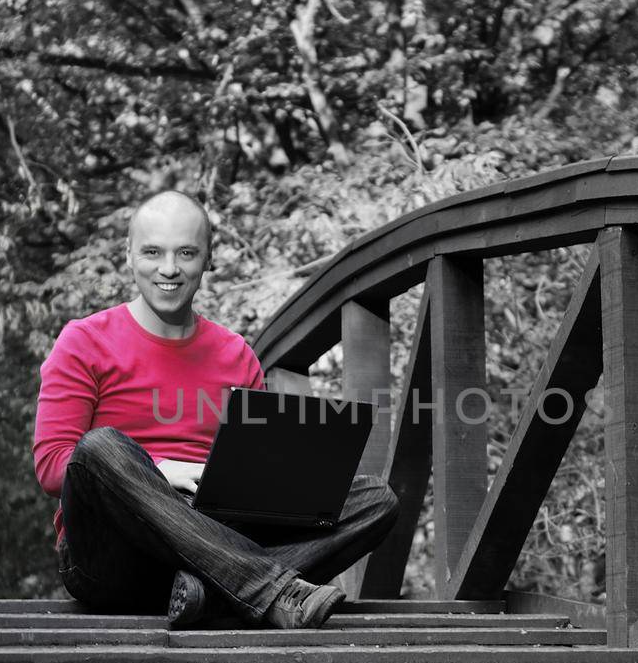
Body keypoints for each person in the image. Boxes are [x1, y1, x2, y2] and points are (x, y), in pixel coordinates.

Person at [32, 190, 399, 628]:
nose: (169, 269)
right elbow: (54, 467)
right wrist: (159, 470)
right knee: (98, 448)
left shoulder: (236, 354)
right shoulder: (83, 341)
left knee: (375, 499)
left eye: (186, 252)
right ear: (128, 255)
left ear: (208, 259)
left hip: (209, 536)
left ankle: (208, 595)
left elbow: (257, 471)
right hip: (111, 556)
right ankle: (269, 590)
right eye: (152, 252)